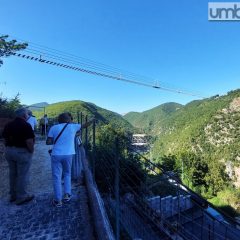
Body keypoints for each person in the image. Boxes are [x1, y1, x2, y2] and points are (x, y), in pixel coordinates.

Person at [46, 112, 93, 207]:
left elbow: (48, 142)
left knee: (56, 177)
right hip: (68, 154)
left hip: (56, 154)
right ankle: (67, 195)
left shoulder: (53, 128)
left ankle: (58, 200)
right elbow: (85, 125)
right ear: (68, 120)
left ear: (59, 120)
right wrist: (92, 120)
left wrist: (56, 140)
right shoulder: (73, 127)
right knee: (67, 174)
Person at [2, 107, 35, 205]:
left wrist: (10, 149)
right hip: (22, 152)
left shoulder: (8, 125)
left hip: (9, 151)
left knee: (12, 173)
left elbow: (4, 140)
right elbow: (29, 141)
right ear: (24, 115)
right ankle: (21, 197)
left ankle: (13, 195)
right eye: (27, 114)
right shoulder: (26, 125)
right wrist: (31, 151)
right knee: (22, 175)